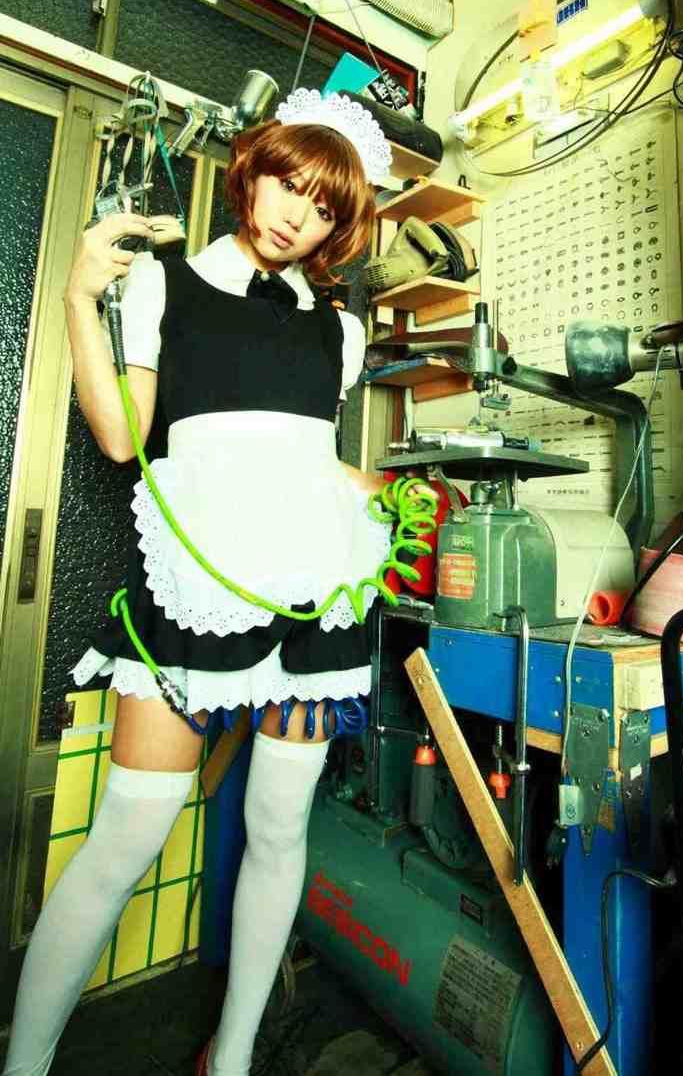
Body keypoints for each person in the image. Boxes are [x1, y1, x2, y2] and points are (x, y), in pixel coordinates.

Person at [3, 88, 394, 1076]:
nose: (296, 215)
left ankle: (233, 1059)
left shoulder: (340, 331)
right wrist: (78, 297)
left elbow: (308, 457)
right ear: (251, 172)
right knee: (129, 830)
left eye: (323, 208)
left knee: (277, 829)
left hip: (312, 593)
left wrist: (384, 496)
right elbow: (119, 437)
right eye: (286, 184)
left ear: (338, 230)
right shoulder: (162, 283)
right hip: (196, 587)